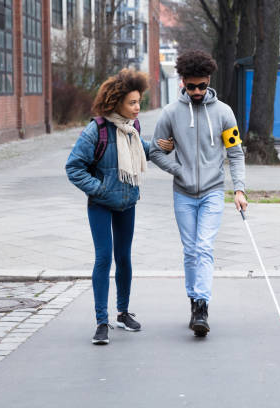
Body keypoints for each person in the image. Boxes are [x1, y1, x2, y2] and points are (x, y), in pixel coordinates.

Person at [65, 69, 173, 345]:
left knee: (123, 258)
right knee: (104, 258)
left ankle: (123, 313)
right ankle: (102, 321)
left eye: (139, 102)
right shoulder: (96, 130)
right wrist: (100, 189)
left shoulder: (132, 128)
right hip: (101, 204)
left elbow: (135, 150)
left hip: (127, 202)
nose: (138, 108)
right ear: (116, 103)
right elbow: (73, 167)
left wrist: (158, 147)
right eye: (132, 103)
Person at [150, 50, 248, 337]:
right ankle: (194, 300)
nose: (195, 91)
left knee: (204, 247)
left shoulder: (223, 113)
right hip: (182, 193)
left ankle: (202, 305)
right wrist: (177, 169)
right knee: (191, 250)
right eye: (190, 86)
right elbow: (155, 151)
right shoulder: (170, 113)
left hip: (212, 192)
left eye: (201, 86)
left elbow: (235, 153)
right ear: (182, 82)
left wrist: (239, 189)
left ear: (209, 81)